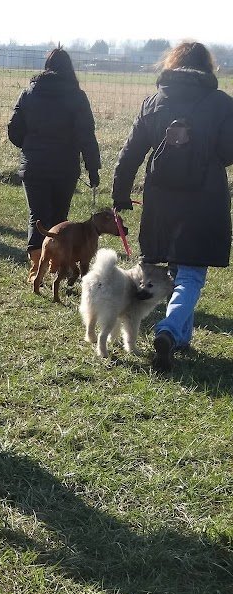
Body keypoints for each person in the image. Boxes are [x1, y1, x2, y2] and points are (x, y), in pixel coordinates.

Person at [112, 41, 233, 372]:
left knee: (166, 268)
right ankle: (169, 330)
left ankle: (180, 337)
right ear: (208, 68)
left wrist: (120, 192)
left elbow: (131, 151)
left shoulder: (154, 101)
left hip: (161, 200)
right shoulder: (222, 104)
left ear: (172, 63)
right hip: (205, 201)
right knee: (191, 273)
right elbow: (229, 152)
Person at [8, 47, 101, 283]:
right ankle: (55, 264)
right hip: (65, 167)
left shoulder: (29, 93)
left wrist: (29, 146)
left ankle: (35, 267)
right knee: (60, 218)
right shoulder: (77, 96)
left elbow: (13, 129)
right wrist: (93, 167)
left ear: (46, 66)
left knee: (36, 215)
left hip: (34, 164)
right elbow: (86, 135)